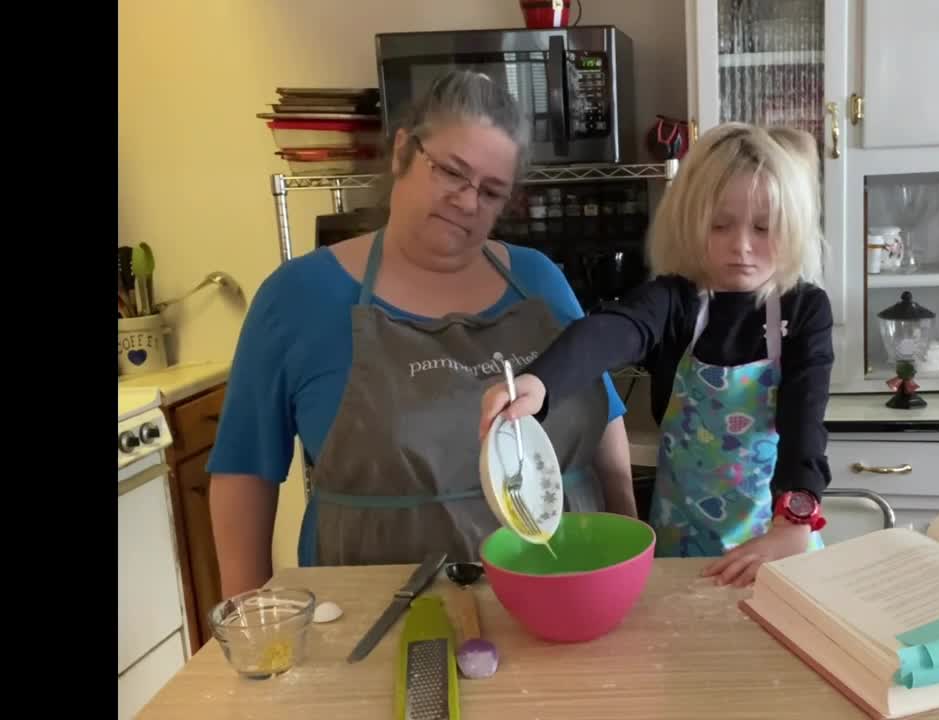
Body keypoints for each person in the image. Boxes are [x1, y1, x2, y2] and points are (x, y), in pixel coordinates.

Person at [207, 70, 636, 600]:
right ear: (403, 151)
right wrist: (247, 615)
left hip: (562, 595)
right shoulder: (297, 298)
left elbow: (605, 426)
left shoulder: (538, 280)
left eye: (492, 191)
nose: (466, 201)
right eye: (452, 172)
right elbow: (244, 471)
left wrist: (634, 568)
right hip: (378, 615)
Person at [479, 122, 834, 588]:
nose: (742, 245)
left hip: (774, 542)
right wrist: (541, 382)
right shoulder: (675, 301)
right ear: (690, 220)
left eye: (764, 227)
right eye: (720, 224)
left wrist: (795, 519)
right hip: (682, 542)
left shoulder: (804, 309)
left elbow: (804, 423)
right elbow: (613, 329)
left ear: (793, 227)